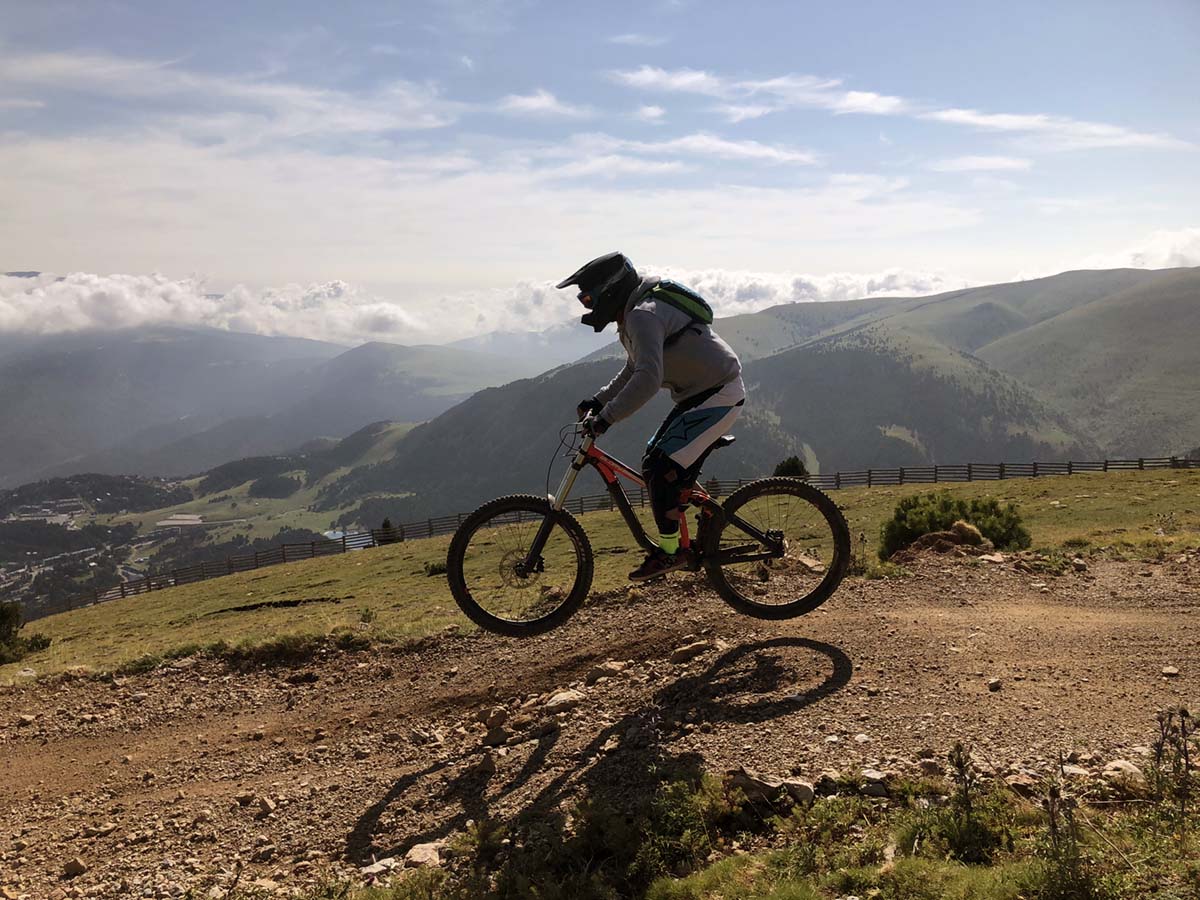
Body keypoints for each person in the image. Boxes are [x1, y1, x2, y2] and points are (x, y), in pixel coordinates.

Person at [556, 251, 744, 581]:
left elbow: (647, 378)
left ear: (609, 290)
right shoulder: (634, 316)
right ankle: (710, 520)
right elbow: (634, 367)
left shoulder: (643, 316)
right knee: (654, 461)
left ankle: (670, 552)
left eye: (588, 299)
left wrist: (606, 417)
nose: (587, 306)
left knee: (659, 465)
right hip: (701, 392)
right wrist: (598, 401)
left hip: (719, 392)